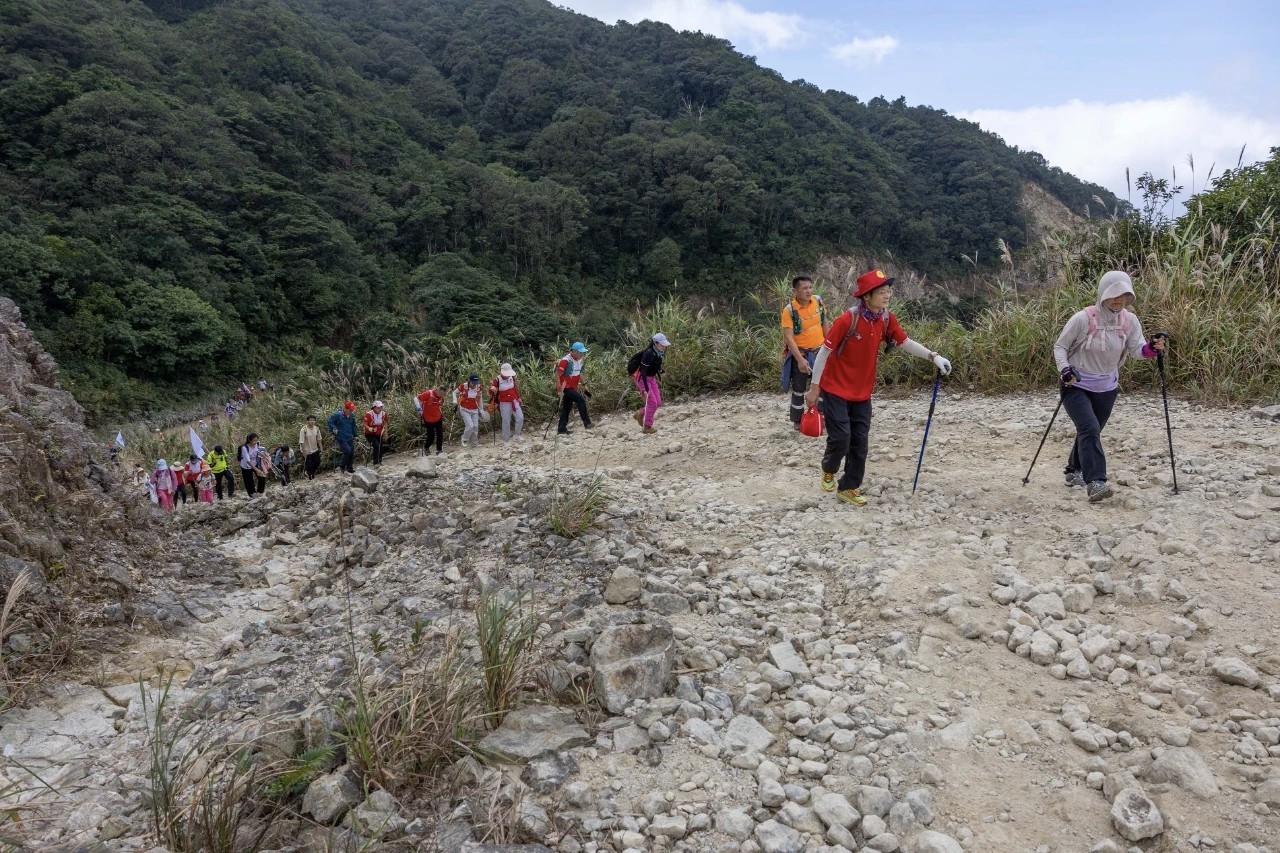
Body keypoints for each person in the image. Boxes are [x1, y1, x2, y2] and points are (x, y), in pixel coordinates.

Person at [804, 268, 953, 506]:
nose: (887, 295)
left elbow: (905, 342)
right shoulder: (848, 319)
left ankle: (848, 487)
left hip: (863, 392)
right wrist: (814, 388)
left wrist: (933, 356)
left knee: (860, 442)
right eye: (882, 292)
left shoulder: (886, 319)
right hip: (835, 388)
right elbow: (824, 353)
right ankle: (829, 468)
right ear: (866, 296)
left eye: (888, 291)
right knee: (841, 438)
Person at [1054, 270, 1167, 502]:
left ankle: (1074, 470)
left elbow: (1137, 350)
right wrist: (1065, 370)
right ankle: (1096, 482)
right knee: (1089, 428)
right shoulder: (1083, 319)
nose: (1118, 299)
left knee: (1091, 429)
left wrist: (1151, 348)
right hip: (1075, 384)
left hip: (1107, 386)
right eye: (1114, 294)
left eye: (1124, 295)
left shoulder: (1129, 321)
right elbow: (1060, 347)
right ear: (1103, 293)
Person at [781, 275, 831, 429]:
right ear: (795, 291)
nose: (809, 291)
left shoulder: (818, 301)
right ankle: (797, 421)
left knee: (823, 385)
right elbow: (789, 338)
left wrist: (831, 346)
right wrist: (800, 360)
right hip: (802, 354)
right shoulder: (789, 311)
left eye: (810, 287)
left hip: (819, 352)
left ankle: (821, 416)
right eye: (804, 288)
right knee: (799, 388)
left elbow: (824, 322)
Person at [631, 333, 670, 434]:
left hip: (651, 379)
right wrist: (645, 389)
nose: (664, 347)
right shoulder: (648, 354)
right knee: (652, 403)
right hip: (643, 379)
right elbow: (643, 372)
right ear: (655, 343)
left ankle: (640, 413)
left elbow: (655, 365)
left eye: (664, 345)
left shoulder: (659, 353)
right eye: (662, 345)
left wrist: (661, 370)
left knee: (658, 402)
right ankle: (647, 427)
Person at [555, 341, 593, 435]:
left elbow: (580, 373)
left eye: (583, 352)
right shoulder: (566, 360)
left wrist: (585, 385)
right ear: (574, 351)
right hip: (566, 387)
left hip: (573, 387)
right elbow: (557, 374)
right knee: (580, 399)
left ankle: (561, 429)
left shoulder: (580, 360)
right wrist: (559, 388)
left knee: (567, 407)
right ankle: (587, 423)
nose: (582, 354)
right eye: (580, 352)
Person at [490, 363, 524, 444]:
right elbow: (491, 391)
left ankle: (517, 435)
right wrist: (492, 389)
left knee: (520, 417)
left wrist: (518, 397)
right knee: (506, 421)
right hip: (504, 403)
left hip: (514, 400)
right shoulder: (497, 380)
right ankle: (506, 440)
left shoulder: (511, 377)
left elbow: (514, 388)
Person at [452, 374, 483, 448]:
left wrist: (481, 410)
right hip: (464, 409)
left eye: (476, 383)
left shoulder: (479, 387)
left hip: (475, 409)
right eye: (473, 383)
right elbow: (454, 392)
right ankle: (464, 439)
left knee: (475, 427)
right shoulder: (463, 386)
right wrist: (454, 400)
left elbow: (480, 399)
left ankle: (474, 444)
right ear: (469, 381)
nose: (474, 385)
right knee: (470, 426)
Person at [328, 401, 358, 473]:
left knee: (351, 452)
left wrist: (355, 435)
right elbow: (330, 421)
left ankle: (349, 468)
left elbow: (353, 426)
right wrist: (334, 428)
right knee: (347, 451)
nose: (351, 411)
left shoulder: (351, 416)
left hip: (349, 436)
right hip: (341, 436)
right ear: (345, 408)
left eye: (352, 410)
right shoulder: (338, 415)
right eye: (350, 410)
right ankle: (342, 466)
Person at [416, 386, 445, 455]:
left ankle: (439, 450)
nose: (441, 395)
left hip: (438, 417)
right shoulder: (428, 393)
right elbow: (416, 398)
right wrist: (419, 409)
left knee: (440, 434)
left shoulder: (441, 396)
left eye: (443, 394)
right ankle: (426, 447)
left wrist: (441, 403)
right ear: (437, 390)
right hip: (428, 418)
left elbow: (440, 404)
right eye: (440, 393)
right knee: (431, 435)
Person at [363, 400, 387, 466]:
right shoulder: (368, 414)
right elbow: (365, 424)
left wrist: (385, 433)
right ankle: (375, 462)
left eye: (381, 407)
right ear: (374, 407)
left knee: (381, 446)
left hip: (379, 433)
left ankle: (380, 461)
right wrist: (369, 428)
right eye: (378, 407)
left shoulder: (383, 414)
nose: (380, 409)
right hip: (370, 434)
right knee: (376, 445)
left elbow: (385, 423)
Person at [299, 415, 323, 480]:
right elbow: (301, 441)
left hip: (315, 449)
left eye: (313, 420)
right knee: (309, 464)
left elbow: (319, 439)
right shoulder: (304, 430)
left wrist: (321, 448)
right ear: (307, 421)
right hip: (306, 450)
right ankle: (311, 476)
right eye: (311, 420)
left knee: (317, 462)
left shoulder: (317, 429)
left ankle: (309, 473)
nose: (312, 421)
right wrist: (304, 451)